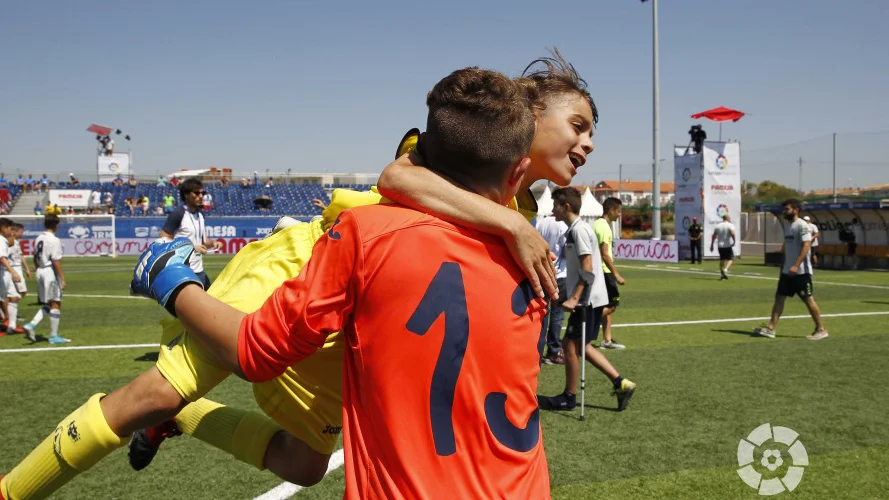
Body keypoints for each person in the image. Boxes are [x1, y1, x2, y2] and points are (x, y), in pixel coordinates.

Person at [0, 49, 593, 499]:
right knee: (152, 391)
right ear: (528, 115)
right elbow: (397, 179)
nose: (588, 142)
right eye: (579, 124)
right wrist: (509, 225)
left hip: (361, 319)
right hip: (308, 265)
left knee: (307, 466)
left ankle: (185, 419)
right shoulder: (468, 159)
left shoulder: (524, 203)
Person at [130, 67, 551, 499]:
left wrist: (174, 283)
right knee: (305, 462)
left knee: (305, 462)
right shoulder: (534, 263)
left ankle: (166, 281)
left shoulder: (366, 232)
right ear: (518, 174)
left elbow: (256, 353)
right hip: (522, 489)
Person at [538, 188, 636, 411]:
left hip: (588, 300)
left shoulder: (580, 231)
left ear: (567, 207)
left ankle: (569, 397)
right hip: (588, 298)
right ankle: (621, 383)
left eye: (556, 205)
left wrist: (574, 298)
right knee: (581, 346)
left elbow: (588, 269)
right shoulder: (575, 230)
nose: (553, 209)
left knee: (569, 344)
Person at [754, 199, 829, 340]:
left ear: (796, 210)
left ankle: (821, 329)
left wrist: (796, 265)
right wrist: (785, 265)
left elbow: (806, 246)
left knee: (808, 299)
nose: (784, 212)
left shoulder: (802, 226)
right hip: (787, 271)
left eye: (787, 209)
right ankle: (771, 328)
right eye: (784, 209)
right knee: (779, 298)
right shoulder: (789, 226)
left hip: (801, 272)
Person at [159, 178, 222, 289]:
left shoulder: (201, 214)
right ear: (186, 194)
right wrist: (191, 247)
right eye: (196, 193)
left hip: (199, 270)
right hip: (182, 272)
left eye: (202, 193)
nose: (201, 196)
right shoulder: (178, 213)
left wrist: (213, 243)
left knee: (210, 302)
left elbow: (203, 241)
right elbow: (163, 239)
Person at [22, 215, 69, 344]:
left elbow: (34, 254)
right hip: (49, 272)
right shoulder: (54, 240)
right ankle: (53, 336)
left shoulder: (39, 238)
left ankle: (31, 325)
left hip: (40, 271)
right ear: (57, 225)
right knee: (56, 303)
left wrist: (36, 266)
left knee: (48, 303)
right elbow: (56, 261)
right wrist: (62, 279)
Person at [593, 197, 626, 349]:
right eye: (618, 211)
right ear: (611, 210)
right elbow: (605, 254)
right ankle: (584, 322)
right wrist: (616, 274)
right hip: (604, 272)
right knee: (611, 306)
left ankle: (607, 340)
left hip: (597, 271)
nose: (619, 215)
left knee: (606, 305)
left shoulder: (596, 224)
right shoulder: (605, 227)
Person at [536, 214, 567, 364]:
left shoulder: (542, 223)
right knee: (557, 313)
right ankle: (554, 351)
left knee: (542, 312)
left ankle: (537, 349)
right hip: (559, 274)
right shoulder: (563, 225)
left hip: (542, 272)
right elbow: (567, 252)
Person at [0, 219, 23, 336]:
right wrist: (13, 272)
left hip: (5, 273)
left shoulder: (4, 240)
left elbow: (11, 243)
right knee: (1, 299)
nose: (11, 231)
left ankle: (11, 326)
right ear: (3, 228)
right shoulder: (0, 240)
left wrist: (11, 235)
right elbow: (2, 258)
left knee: (14, 297)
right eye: (10, 229)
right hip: (2, 273)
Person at [710, 214, 736, 280]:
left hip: (720, 246)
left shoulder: (718, 226)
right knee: (731, 258)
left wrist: (712, 245)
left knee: (722, 260)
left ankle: (722, 275)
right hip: (727, 245)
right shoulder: (730, 225)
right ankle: (726, 269)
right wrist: (734, 240)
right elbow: (732, 233)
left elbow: (714, 236)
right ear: (727, 219)